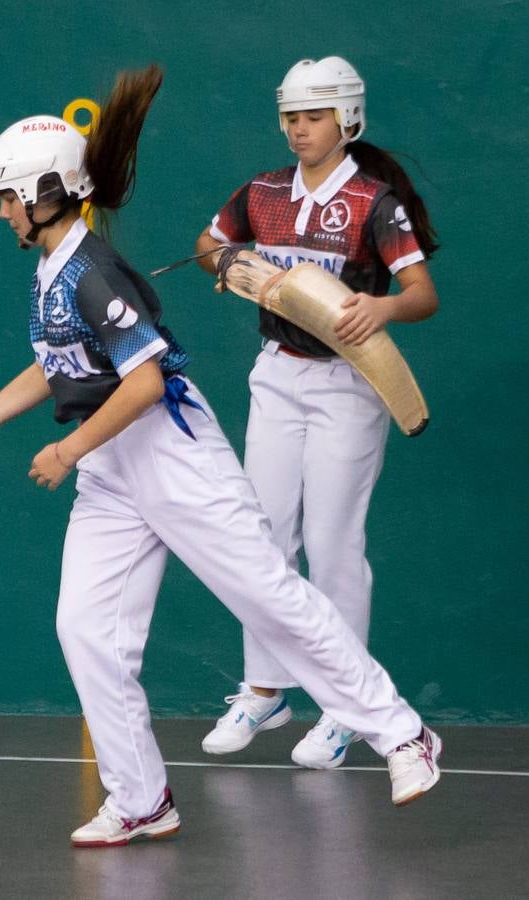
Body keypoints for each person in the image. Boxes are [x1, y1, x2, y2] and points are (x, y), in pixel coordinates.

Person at [0, 64, 441, 848]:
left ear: (47, 190)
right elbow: (62, 364)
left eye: (9, 197)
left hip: (166, 450)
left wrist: (66, 448)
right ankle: (141, 798)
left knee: (268, 594)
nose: (2, 212)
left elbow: (146, 382)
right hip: (110, 469)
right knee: (85, 627)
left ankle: (401, 733)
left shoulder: (92, 271)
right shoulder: (54, 269)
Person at [194, 56, 440, 769]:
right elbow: (210, 245)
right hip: (275, 376)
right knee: (261, 537)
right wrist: (233, 269)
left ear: (347, 119)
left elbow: (422, 292)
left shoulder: (374, 201)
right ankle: (266, 689)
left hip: (348, 385)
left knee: (334, 544)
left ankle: (346, 709)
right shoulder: (263, 191)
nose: (299, 130)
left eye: (314, 116)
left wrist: (384, 305)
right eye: (292, 117)